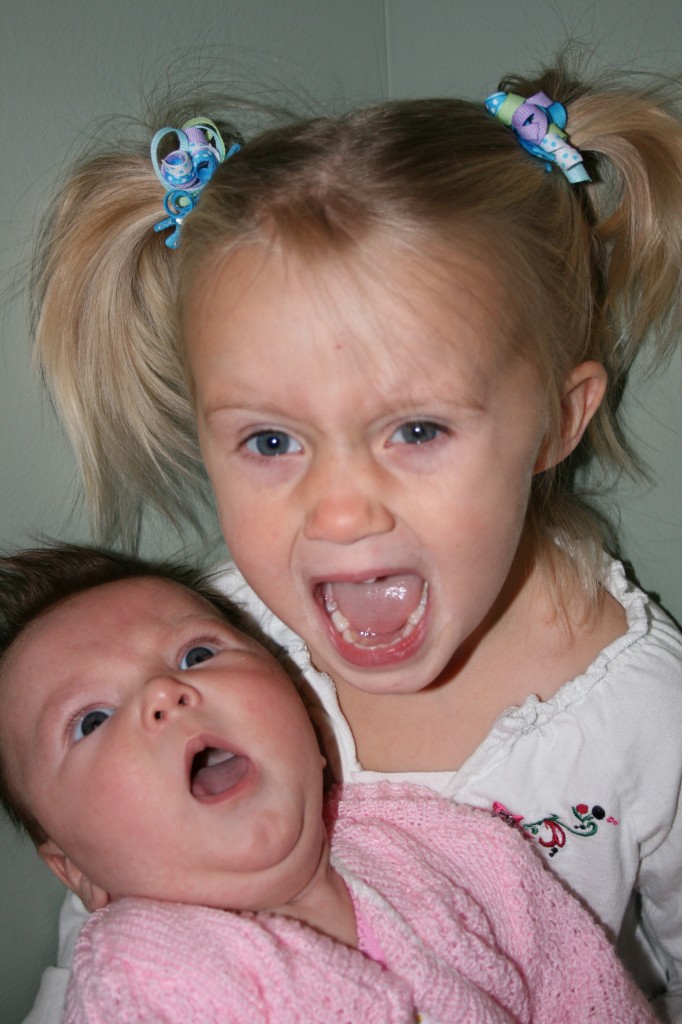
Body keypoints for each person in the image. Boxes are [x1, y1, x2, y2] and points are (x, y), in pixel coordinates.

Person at [29, 52, 682, 1019]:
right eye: (271, 441)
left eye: (416, 430)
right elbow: (111, 939)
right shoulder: (188, 657)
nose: (338, 513)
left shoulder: (641, 717)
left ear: (557, 420)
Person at [0, 542, 660, 1023]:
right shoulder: (141, 978)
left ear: (309, 724)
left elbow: (585, 992)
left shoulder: (450, 851)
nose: (164, 693)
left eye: (196, 655)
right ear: (76, 871)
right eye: (91, 720)